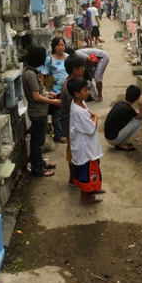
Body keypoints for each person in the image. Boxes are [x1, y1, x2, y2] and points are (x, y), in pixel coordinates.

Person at [22, 45, 61, 177]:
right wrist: (52, 101)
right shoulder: (30, 74)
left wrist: (48, 95)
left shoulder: (32, 71)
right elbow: (36, 96)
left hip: (39, 111)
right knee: (36, 142)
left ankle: (40, 163)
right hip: (37, 112)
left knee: (38, 141)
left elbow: (39, 93)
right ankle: (38, 169)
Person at [68, 77, 104, 204]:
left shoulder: (79, 103)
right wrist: (96, 118)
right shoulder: (78, 111)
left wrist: (93, 116)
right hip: (86, 149)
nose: (88, 91)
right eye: (85, 90)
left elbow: (90, 113)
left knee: (90, 170)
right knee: (88, 172)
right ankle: (85, 196)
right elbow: (91, 128)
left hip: (86, 145)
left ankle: (92, 189)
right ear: (77, 94)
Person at [59, 55, 87, 187]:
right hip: (71, 124)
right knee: (73, 151)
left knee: (73, 150)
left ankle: (74, 178)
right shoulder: (70, 88)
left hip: (71, 123)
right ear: (75, 70)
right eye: (82, 68)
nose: (84, 70)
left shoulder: (71, 83)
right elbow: (74, 109)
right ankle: (73, 179)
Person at [40, 37, 69, 143]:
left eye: (62, 45)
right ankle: (59, 135)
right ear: (54, 47)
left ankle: (67, 132)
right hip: (56, 90)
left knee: (67, 112)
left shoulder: (68, 57)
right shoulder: (50, 59)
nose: (61, 47)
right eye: (58, 45)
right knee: (57, 114)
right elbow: (42, 74)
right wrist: (43, 89)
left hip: (68, 89)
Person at [104, 85, 142, 151]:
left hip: (109, 135)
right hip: (113, 139)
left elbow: (135, 113)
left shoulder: (120, 103)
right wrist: (140, 103)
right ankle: (121, 144)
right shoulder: (128, 109)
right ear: (136, 98)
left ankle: (120, 142)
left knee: (134, 117)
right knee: (137, 121)